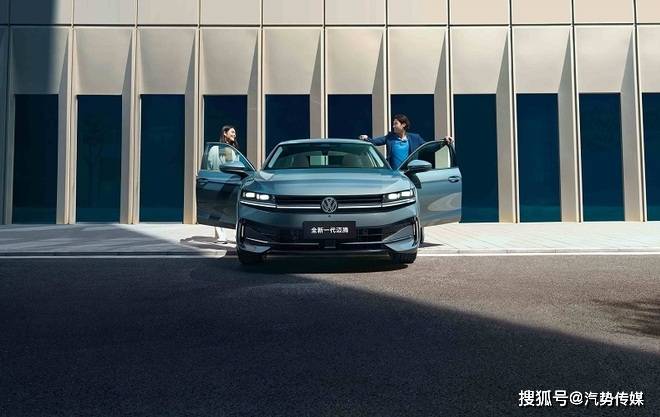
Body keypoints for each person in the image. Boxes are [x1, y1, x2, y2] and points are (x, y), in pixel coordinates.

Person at [360, 114, 453, 244]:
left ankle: (419, 229)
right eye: (393, 123)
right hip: (395, 176)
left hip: (410, 174)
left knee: (415, 203)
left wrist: (443, 142)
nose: (393, 126)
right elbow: (375, 142)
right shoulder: (390, 137)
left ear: (403, 125)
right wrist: (366, 139)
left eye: (395, 123)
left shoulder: (415, 138)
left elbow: (428, 148)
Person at [214, 125, 240, 244]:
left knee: (220, 209)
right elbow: (230, 165)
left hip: (227, 182)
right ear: (225, 133)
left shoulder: (232, 148)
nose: (235, 134)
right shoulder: (225, 149)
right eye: (232, 132)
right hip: (224, 182)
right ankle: (222, 236)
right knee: (219, 209)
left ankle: (223, 236)